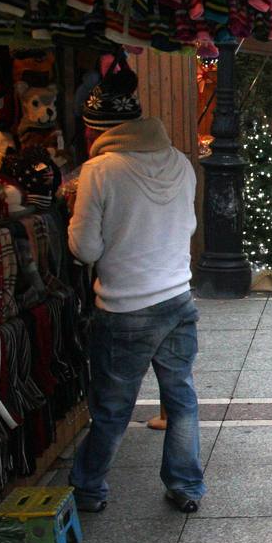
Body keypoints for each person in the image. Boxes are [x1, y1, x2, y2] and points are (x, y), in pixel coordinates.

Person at [67, 61, 205, 514]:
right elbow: (187, 226)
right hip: (178, 298)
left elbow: (85, 249)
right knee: (181, 398)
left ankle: (88, 489)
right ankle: (185, 485)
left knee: (112, 407)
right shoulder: (180, 163)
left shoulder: (100, 170)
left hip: (125, 307)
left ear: (99, 130)